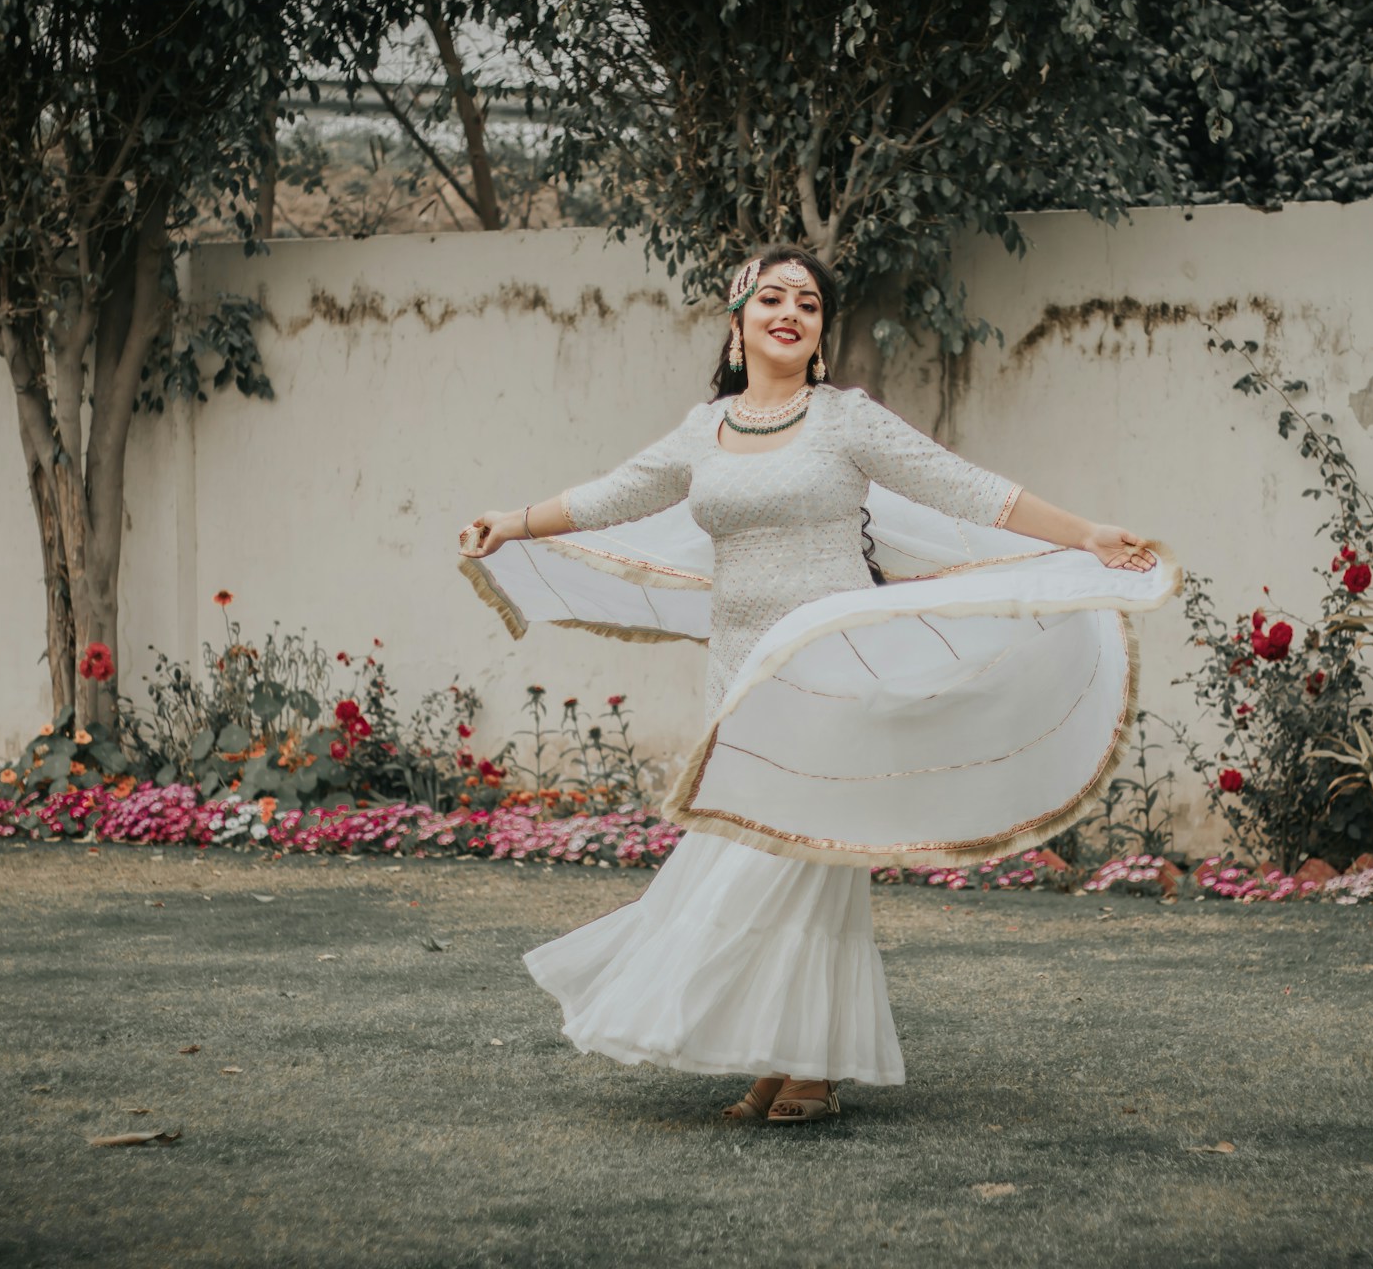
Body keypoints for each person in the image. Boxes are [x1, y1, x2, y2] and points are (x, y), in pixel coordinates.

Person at [457, 244, 1174, 1124]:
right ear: (738, 321)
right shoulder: (703, 431)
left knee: (789, 865)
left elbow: (965, 488)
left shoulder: (845, 421)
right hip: (739, 671)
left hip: (829, 671)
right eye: (771, 298)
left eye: (807, 302)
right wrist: (514, 520)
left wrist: (1086, 532)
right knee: (772, 857)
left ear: (820, 333)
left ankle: (804, 1064)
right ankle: (791, 1060)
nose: (789, 311)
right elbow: (617, 495)